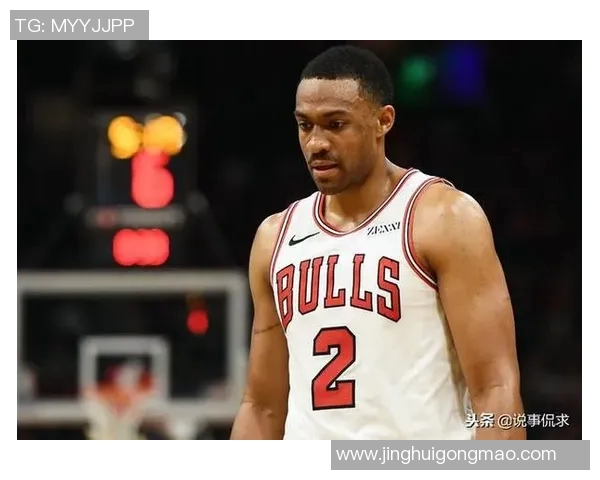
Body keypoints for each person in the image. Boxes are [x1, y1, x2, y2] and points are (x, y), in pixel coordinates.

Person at [230, 45, 525, 440]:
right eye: (305, 125)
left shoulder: (443, 217)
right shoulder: (275, 237)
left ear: (383, 121)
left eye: (335, 124)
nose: (316, 143)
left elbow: (495, 389)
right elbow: (261, 406)